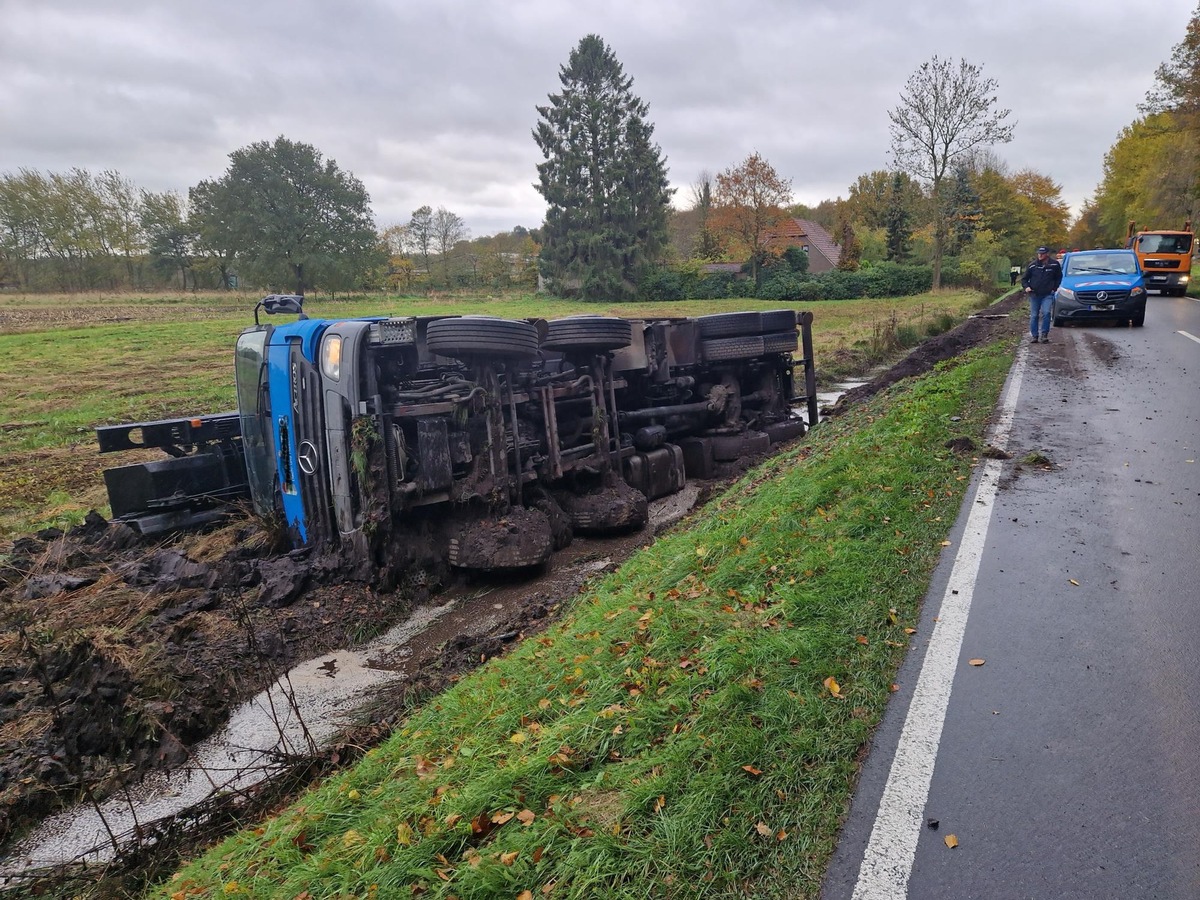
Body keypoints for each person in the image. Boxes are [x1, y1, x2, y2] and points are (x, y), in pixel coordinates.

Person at [1021, 246, 1062, 343]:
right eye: (1039, 253)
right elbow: (1024, 279)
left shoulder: (1054, 265)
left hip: (1047, 294)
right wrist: (1026, 287)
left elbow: (1059, 277)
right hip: (1034, 295)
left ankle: (1044, 335)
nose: (1040, 255)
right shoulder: (1032, 266)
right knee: (1034, 315)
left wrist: (1054, 288)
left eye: (1042, 253)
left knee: (1046, 313)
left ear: (1047, 254)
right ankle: (1035, 336)